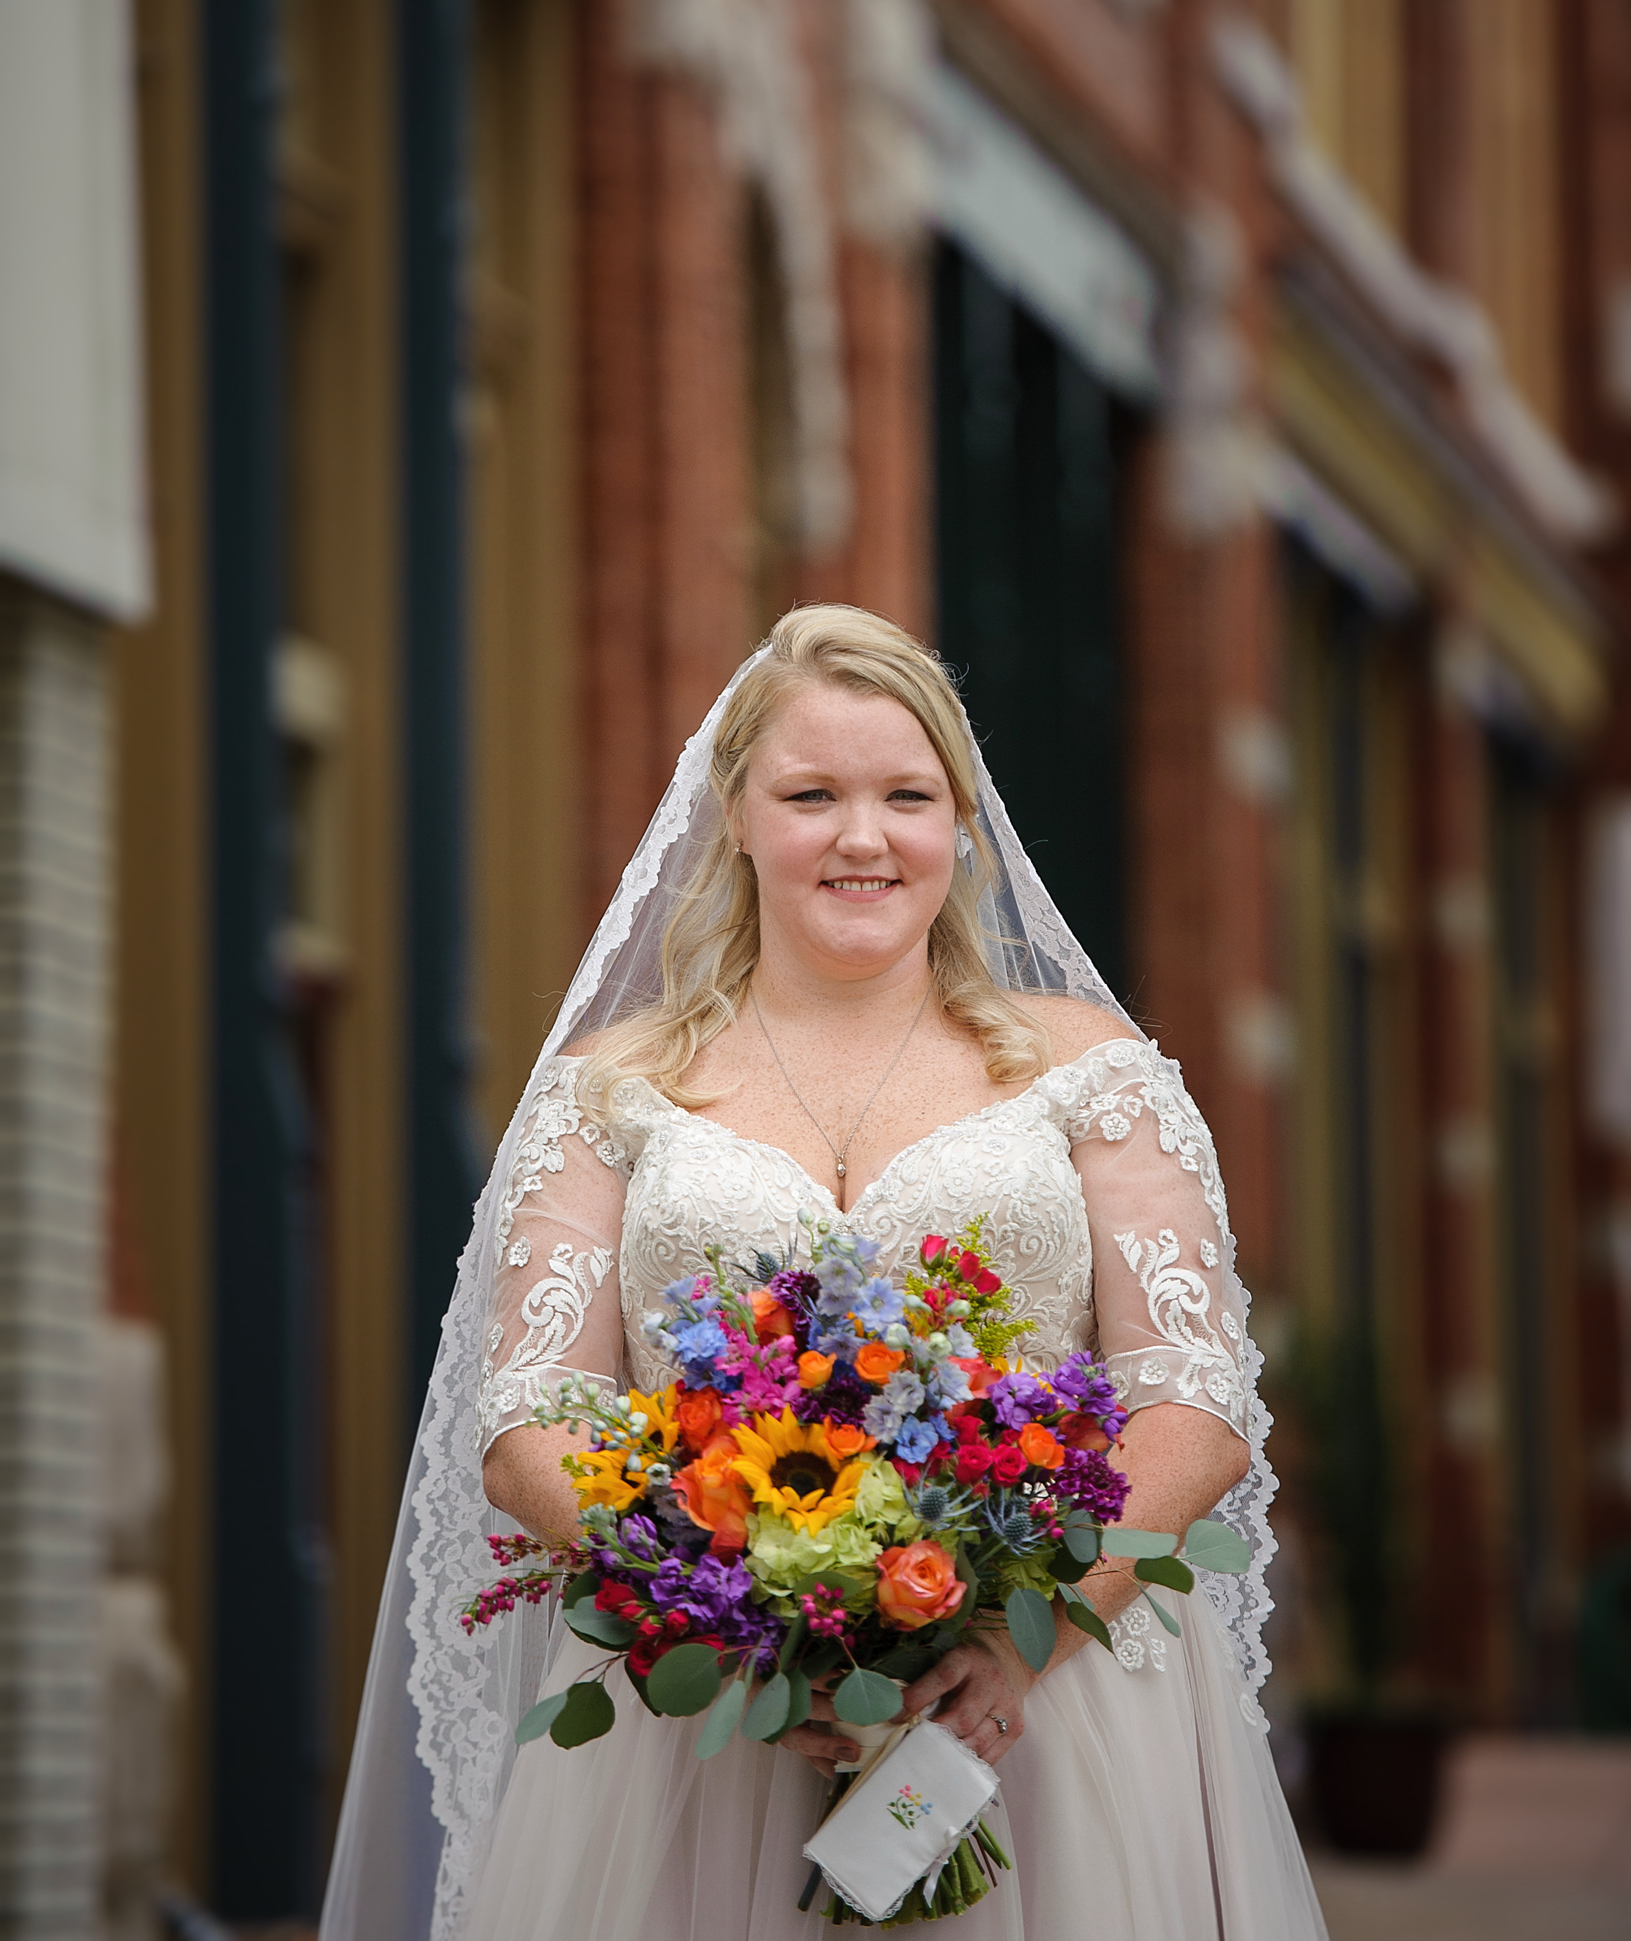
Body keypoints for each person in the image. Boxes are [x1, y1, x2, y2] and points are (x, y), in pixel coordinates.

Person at [321, 606, 1327, 1941]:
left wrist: (1009, 1642)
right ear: (735, 816)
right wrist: (733, 1620)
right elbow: (525, 1427)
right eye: (812, 795)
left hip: (1051, 1703)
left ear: (961, 820)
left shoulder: (1092, 1074)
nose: (864, 837)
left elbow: (1191, 1405)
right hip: (700, 1731)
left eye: (907, 796)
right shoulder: (610, 1095)